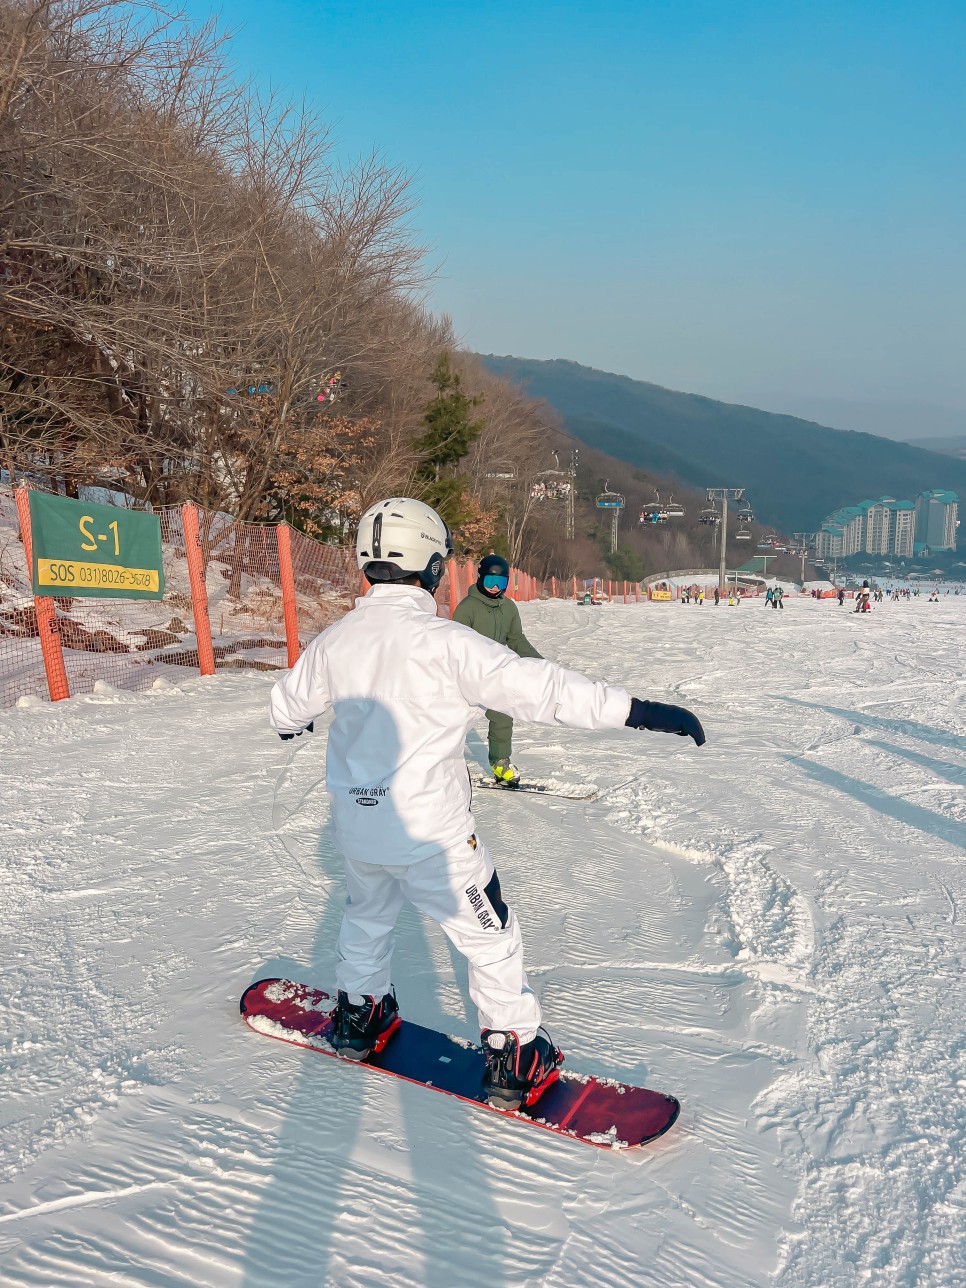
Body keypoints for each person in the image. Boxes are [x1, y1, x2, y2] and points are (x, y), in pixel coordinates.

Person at [268, 498, 706, 1110]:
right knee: (490, 935)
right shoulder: (445, 642)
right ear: (430, 564)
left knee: (367, 917)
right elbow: (541, 689)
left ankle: (359, 1014)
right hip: (432, 838)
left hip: (358, 828)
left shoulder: (336, 640)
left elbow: (287, 707)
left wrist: (297, 724)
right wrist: (638, 712)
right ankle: (514, 1051)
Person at [452, 553, 540, 785]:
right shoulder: (467, 608)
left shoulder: (508, 608)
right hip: (468, 674)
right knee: (453, 719)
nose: (494, 588)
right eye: (490, 582)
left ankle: (500, 763)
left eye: (500, 583)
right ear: (480, 579)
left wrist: (538, 663)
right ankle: (443, 762)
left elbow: (517, 639)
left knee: (503, 715)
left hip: (494, 674)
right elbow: (455, 645)